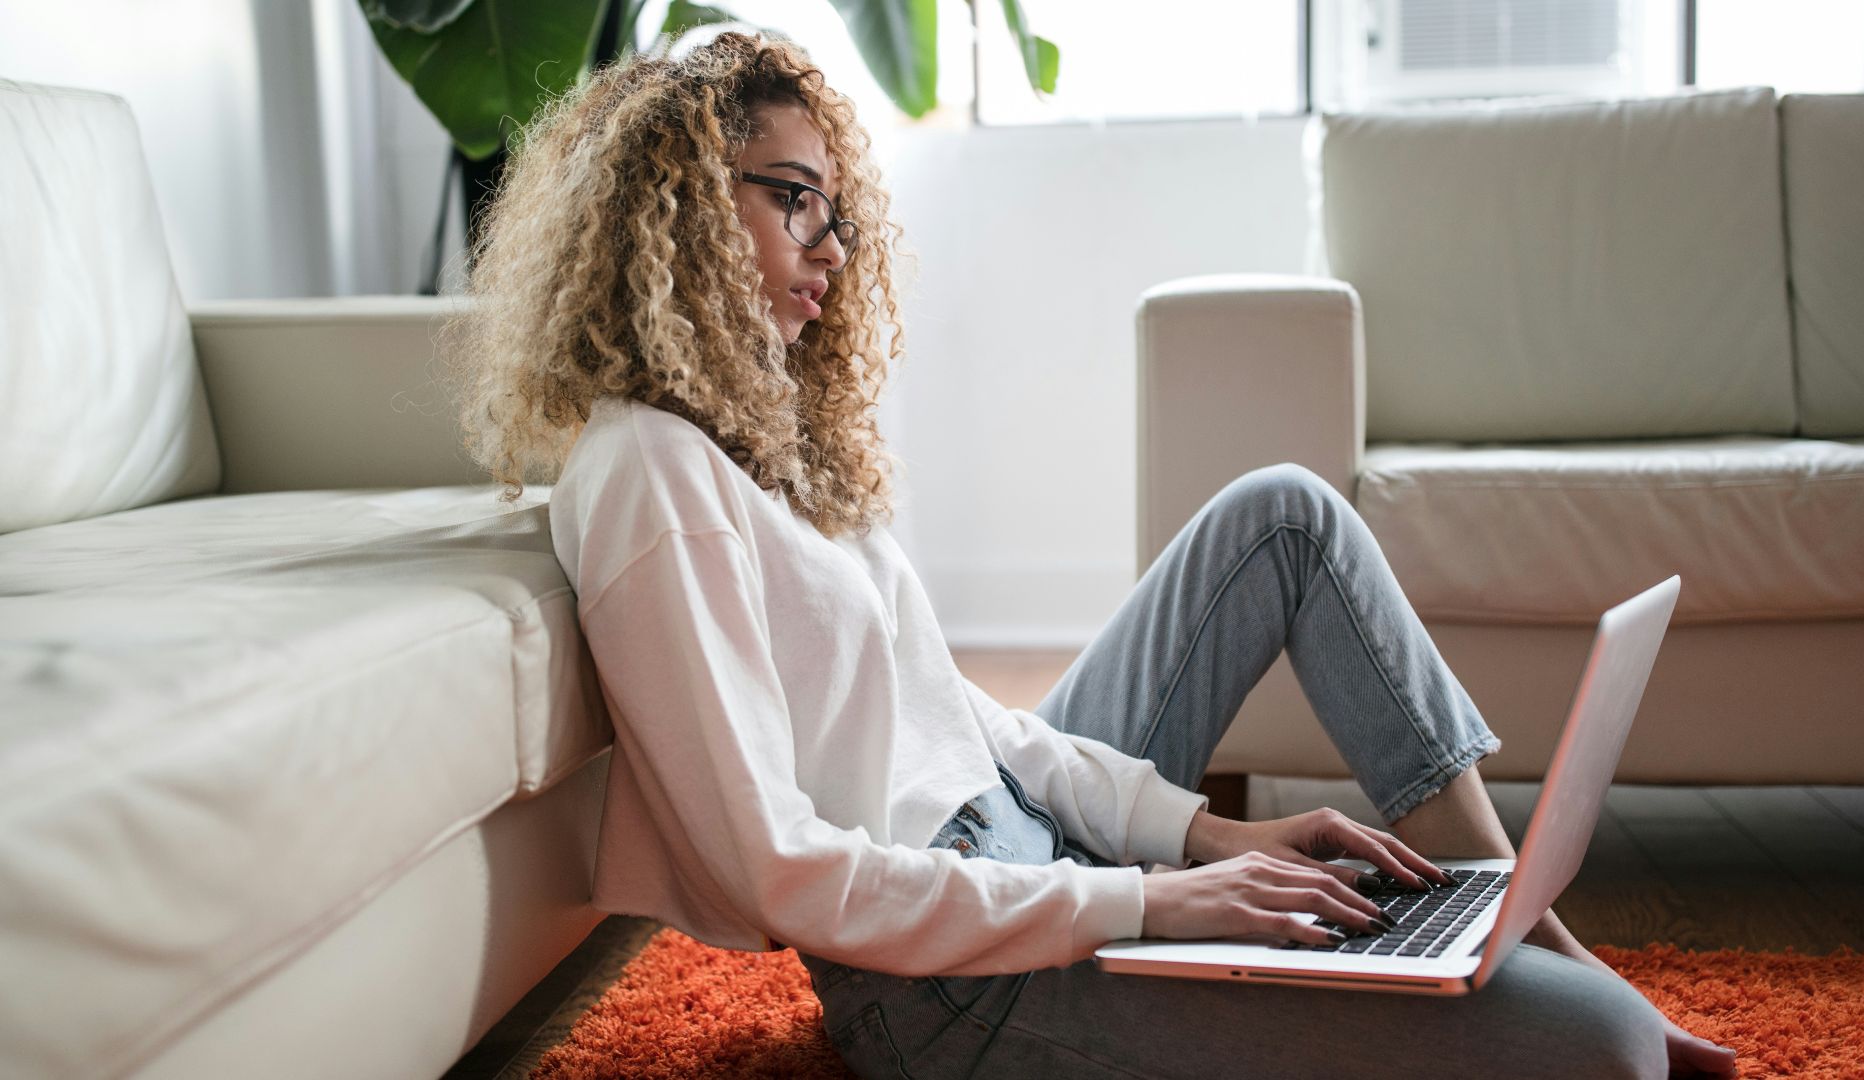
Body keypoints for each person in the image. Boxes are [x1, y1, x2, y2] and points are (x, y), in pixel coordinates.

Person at [442, 31, 1739, 1080]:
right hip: (943, 986)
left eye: (838, 212)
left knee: (1285, 514)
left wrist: (1192, 838)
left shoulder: (769, 449)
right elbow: (774, 865)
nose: (833, 251)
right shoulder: (646, 474)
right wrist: (1143, 905)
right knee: (1604, 1053)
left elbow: (963, 722)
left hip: (1028, 851)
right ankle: (1555, 981)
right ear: (674, 211)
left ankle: (1514, 922)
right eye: (795, 202)